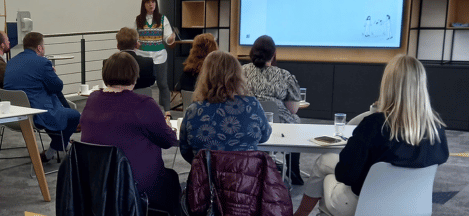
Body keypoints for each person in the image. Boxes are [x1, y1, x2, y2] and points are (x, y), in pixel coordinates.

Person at [293, 55, 449, 216]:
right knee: (327, 162)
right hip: (412, 208)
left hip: (364, 206)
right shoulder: (436, 128)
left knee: (327, 174)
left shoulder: (374, 125)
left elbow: (345, 174)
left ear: (388, 85)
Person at [80, 52, 180, 215]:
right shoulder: (144, 105)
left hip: (95, 183)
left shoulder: (92, 99)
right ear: (135, 76)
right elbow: (168, 141)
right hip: (135, 185)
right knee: (171, 181)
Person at [180, 51, 271, 163]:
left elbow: (185, 149)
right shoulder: (252, 105)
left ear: (205, 75)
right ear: (237, 75)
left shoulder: (194, 110)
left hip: (206, 178)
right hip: (246, 177)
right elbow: (265, 136)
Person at [4, 32, 81, 162]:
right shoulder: (42, 63)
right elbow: (58, 86)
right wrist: (51, 72)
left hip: (14, 112)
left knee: (58, 112)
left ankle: (60, 145)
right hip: (36, 113)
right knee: (75, 115)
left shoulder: (11, 62)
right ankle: (55, 148)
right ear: (39, 48)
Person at [241, 35, 304, 185]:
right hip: (278, 125)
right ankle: (293, 170)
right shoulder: (284, 75)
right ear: (274, 53)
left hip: (247, 122)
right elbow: (293, 109)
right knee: (296, 122)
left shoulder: (241, 72)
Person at [134, 0, 175, 113]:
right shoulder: (138, 19)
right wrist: (135, 43)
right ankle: (142, 111)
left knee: (162, 83)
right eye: (148, 2)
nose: (151, 4)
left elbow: (167, 38)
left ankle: (167, 111)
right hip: (142, 56)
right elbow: (134, 37)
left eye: (153, 2)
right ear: (144, 5)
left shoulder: (163, 18)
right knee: (142, 84)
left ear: (156, 4)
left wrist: (171, 38)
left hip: (159, 56)